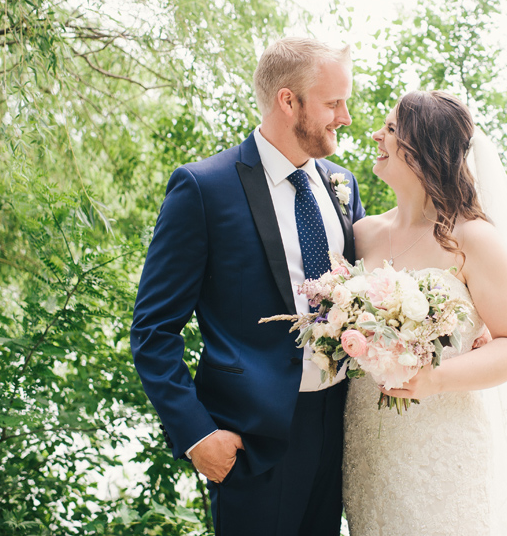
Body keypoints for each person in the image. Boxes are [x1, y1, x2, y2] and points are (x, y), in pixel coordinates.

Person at [131, 37, 365, 535]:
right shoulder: (203, 189)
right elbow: (153, 331)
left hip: (339, 428)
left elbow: (369, 295)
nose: (345, 117)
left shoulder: (342, 185)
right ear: (288, 101)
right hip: (252, 443)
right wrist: (198, 436)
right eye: (333, 103)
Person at [342, 91, 507, 535]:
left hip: (442, 444)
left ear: (422, 149)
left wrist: (433, 379)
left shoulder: (473, 239)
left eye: (390, 129)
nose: (375, 136)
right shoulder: (362, 234)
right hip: (368, 443)